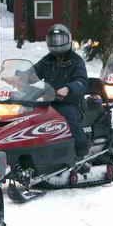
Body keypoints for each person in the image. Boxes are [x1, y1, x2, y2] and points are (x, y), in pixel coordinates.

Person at [32, 24, 89, 158]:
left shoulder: (76, 61)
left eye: (60, 40)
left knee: (68, 117)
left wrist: (69, 88)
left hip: (71, 103)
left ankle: (81, 151)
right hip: (48, 101)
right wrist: (18, 77)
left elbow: (81, 81)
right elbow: (33, 72)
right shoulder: (47, 60)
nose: (56, 44)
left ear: (68, 40)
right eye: (53, 40)